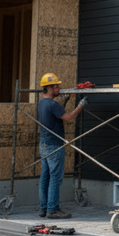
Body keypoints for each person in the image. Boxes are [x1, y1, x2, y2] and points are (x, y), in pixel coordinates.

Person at [37, 72, 87, 219]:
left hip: (44, 144)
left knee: (45, 177)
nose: (59, 88)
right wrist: (80, 105)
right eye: (57, 86)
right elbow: (70, 117)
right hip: (54, 146)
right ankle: (53, 210)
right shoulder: (52, 104)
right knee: (55, 178)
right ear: (50, 88)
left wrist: (66, 99)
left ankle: (44, 209)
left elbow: (56, 114)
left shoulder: (42, 103)